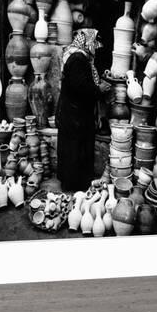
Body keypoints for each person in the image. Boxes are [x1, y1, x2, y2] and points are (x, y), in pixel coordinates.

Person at [56, 29, 111, 192]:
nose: (95, 47)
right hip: (75, 114)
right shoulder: (78, 59)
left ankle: (73, 181)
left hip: (74, 112)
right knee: (75, 149)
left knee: (74, 148)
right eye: (94, 43)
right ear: (87, 43)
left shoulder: (78, 57)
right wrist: (99, 89)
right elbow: (81, 88)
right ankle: (75, 185)